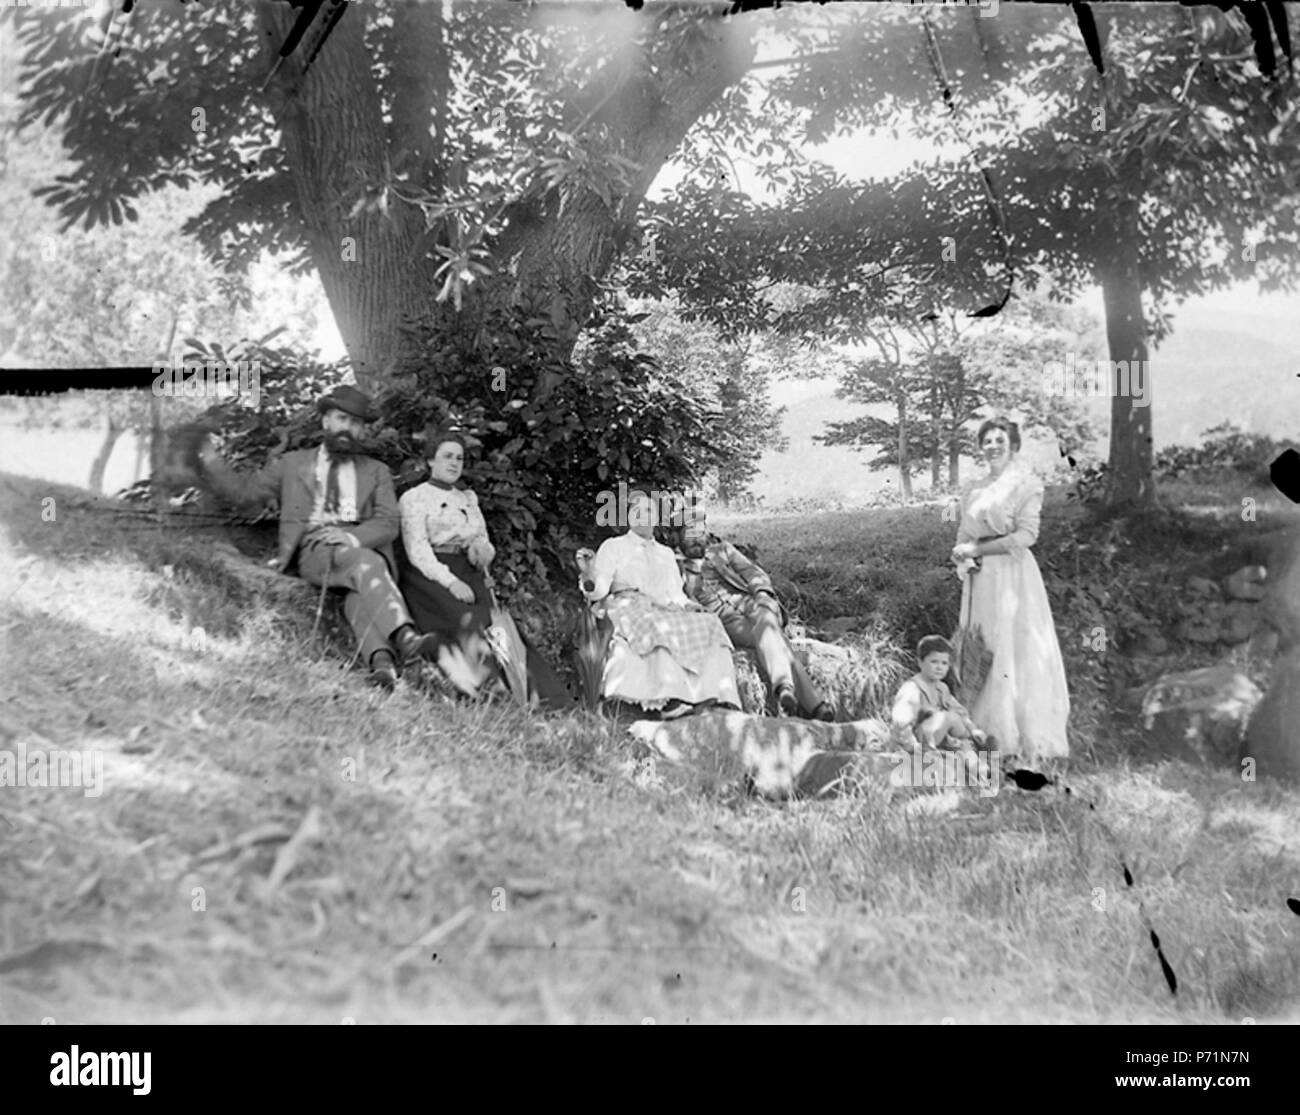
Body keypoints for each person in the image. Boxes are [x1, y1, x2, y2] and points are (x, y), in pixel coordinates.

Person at [191, 386, 475, 691]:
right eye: (341, 419)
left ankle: (381, 664)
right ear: (326, 421)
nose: (347, 429)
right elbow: (244, 493)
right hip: (318, 550)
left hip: (360, 550)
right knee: (365, 565)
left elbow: (388, 522)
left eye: (356, 423)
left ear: (363, 430)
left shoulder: (376, 471)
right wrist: (206, 457)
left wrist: (351, 537)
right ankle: (406, 639)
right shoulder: (293, 464)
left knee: (359, 592)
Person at [397, 426, 575, 709]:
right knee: (472, 620)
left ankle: (540, 696)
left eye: (459, 458)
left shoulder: (467, 498)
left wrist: (482, 550)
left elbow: (481, 537)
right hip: (430, 575)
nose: (454, 463)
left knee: (502, 626)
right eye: (447, 456)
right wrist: (451, 582)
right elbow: (417, 550)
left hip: (469, 569)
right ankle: (493, 695)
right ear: (430, 460)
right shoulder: (414, 498)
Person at [950, 417, 1070, 765]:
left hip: (1013, 576)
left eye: (1000, 439)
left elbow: (1025, 536)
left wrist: (978, 551)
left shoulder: (1025, 484)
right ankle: (985, 735)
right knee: (981, 647)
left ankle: (1020, 736)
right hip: (980, 578)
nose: (992, 445)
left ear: (1013, 444)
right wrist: (963, 557)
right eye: (987, 440)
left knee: (1015, 650)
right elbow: (963, 533)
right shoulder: (974, 487)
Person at [579, 489, 740, 718]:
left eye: (648, 511)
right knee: (657, 624)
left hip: (663, 607)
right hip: (627, 604)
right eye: (637, 510)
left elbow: (675, 593)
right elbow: (599, 589)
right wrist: (588, 573)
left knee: (710, 623)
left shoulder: (665, 553)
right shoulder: (613, 546)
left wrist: (690, 606)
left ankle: (715, 695)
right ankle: (670, 698)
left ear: (656, 519)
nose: (642, 515)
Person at [675, 506, 834, 721]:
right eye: (690, 533)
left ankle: (787, 688)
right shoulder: (675, 564)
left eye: (701, 532)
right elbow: (677, 595)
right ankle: (809, 702)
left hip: (754, 604)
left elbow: (753, 572)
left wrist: (762, 593)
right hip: (725, 620)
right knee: (776, 639)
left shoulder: (723, 550)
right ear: (680, 536)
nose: (697, 539)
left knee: (767, 620)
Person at [890, 635, 988, 753]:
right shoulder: (912, 688)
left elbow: (959, 711)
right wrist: (913, 746)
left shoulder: (941, 688)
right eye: (934, 662)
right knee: (948, 717)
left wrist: (973, 729)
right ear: (920, 662)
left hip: (934, 734)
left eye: (944, 663)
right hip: (915, 739)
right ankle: (970, 742)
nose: (939, 668)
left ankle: (973, 742)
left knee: (954, 716)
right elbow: (901, 721)